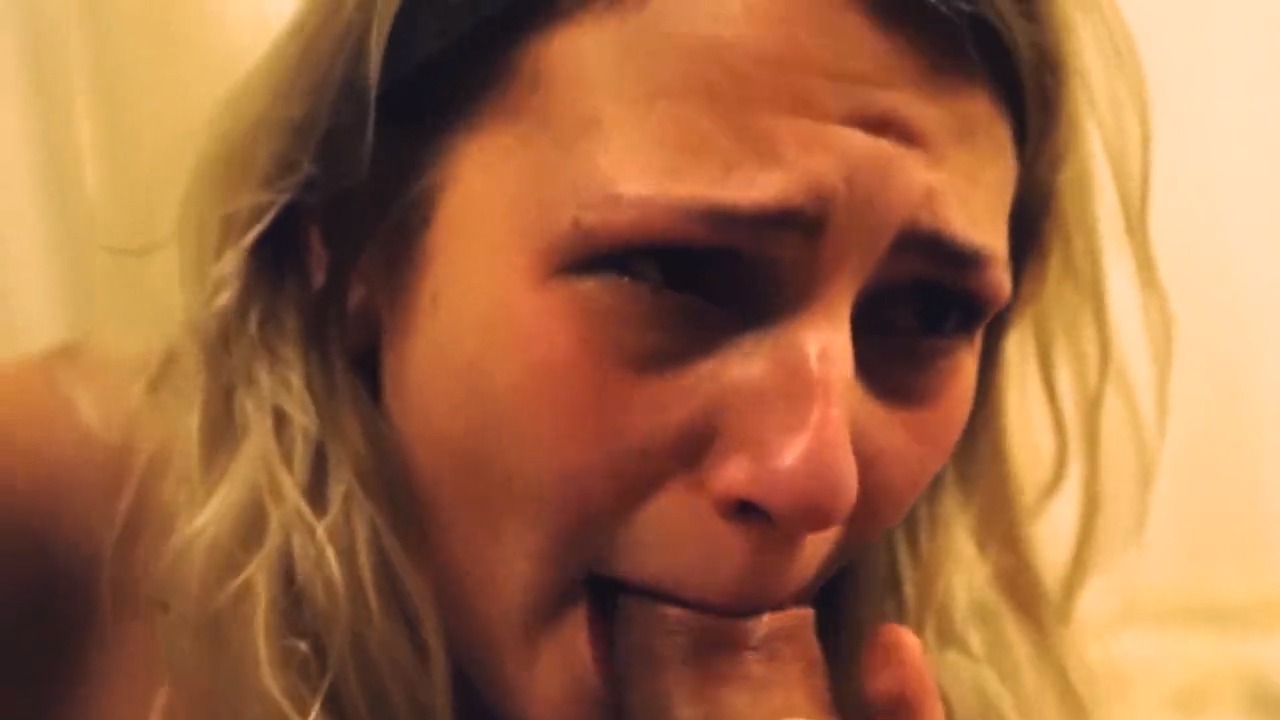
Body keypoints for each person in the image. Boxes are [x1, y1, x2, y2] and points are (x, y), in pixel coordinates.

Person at [0, 0, 1171, 719]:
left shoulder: (962, 674)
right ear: (349, 243)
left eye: (924, 314)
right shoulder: (53, 525)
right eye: (675, 273)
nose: (817, 479)